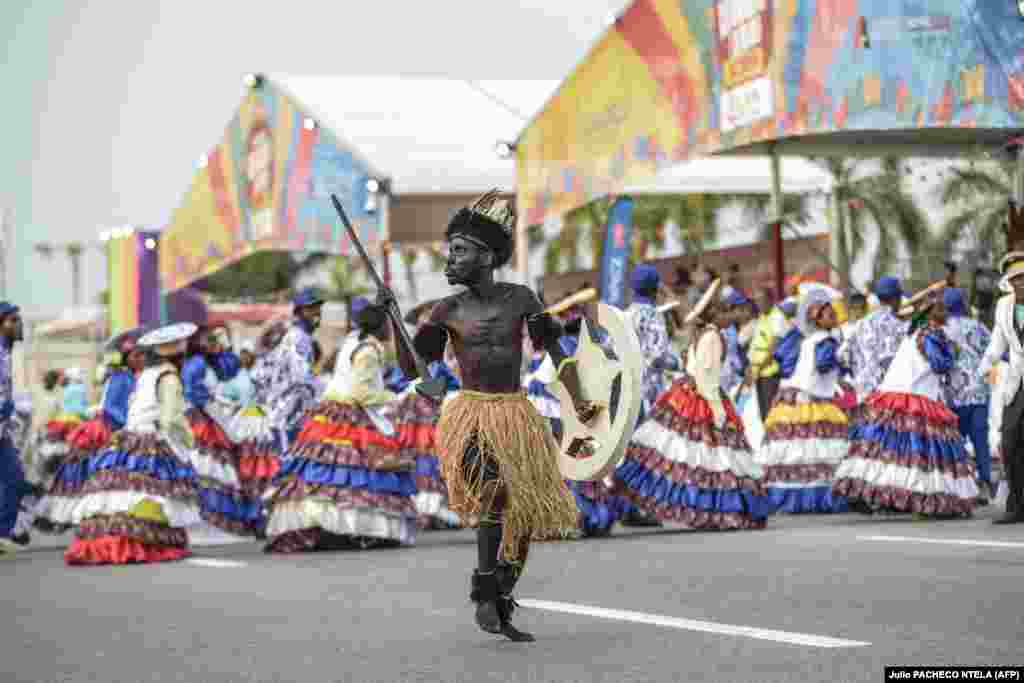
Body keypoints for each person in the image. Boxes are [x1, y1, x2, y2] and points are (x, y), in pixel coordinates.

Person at [396, 190, 595, 642]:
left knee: (523, 513)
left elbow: (557, 352)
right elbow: (412, 368)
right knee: (492, 493)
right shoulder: (445, 311)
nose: (449, 260)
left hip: (516, 415)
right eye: (450, 251)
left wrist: (581, 404)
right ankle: (485, 591)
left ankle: (502, 596)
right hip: (469, 414)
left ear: (486, 256)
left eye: (459, 251)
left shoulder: (521, 299)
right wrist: (395, 320)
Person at [613, 279, 771, 529]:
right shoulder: (712, 336)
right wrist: (719, 411)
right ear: (719, 314)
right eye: (730, 311)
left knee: (693, 456)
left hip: (683, 392)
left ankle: (703, 508)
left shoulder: (704, 333)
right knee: (710, 458)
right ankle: (712, 510)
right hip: (702, 395)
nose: (735, 316)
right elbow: (706, 378)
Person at [264, 297, 416, 553]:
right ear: (380, 326)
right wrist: (399, 397)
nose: (390, 329)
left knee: (328, 471)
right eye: (388, 324)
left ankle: (330, 527)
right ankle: (349, 528)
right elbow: (362, 394)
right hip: (350, 412)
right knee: (353, 474)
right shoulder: (368, 350)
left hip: (329, 410)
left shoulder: (352, 340)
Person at [62, 323, 202, 565]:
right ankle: (142, 542)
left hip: (127, 439)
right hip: (152, 439)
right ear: (178, 355)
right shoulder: (169, 376)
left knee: (121, 494)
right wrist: (188, 440)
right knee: (151, 493)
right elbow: (171, 418)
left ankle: (110, 541)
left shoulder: (145, 375)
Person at [833, 283, 978, 517]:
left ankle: (876, 494)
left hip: (891, 391)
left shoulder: (911, 331)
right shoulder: (929, 334)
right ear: (929, 313)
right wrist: (954, 353)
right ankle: (923, 498)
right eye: (940, 308)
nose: (945, 312)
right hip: (913, 396)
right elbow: (940, 365)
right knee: (918, 452)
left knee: (887, 450)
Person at [39, 329, 147, 532]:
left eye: (142, 354)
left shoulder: (129, 376)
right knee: (92, 475)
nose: (141, 358)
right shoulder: (121, 377)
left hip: (115, 427)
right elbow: (112, 409)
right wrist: (129, 425)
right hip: (108, 430)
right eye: (136, 355)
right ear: (126, 358)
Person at [758, 286, 850, 513]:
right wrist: (842, 357)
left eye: (834, 314)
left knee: (798, 452)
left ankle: (790, 499)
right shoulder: (826, 341)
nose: (835, 318)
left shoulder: (808, 339)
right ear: (818, 320)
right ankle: (814, 499)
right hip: (810, 400)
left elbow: (785, 362)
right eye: (830, 315)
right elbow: (823, 364)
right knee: (812, 450)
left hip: (794, 397)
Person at [391, 298, 463, 530]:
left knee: (431, 463)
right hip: (422, 420)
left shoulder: (439, 363)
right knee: (426, 463)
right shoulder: (428, 363)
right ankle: (429, 508)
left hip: (435, 419)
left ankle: (434, 509)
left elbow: (445, 386)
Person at [182, 326, 259, 541]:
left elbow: (231, 368)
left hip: (213, 415)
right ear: (197, 343)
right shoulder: (195, 364)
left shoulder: (208, 362)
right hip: (202, 419)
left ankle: (216, 526)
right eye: (209, 340)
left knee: (219, 468)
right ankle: (204, 526)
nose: (213, 342)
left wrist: (224, 348)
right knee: (207, 467)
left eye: (214, 339)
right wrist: (220, 414)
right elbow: (197, 394)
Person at [979, 250, 1024, 524]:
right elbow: (998, 343)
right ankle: (1017, 506)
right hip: (1017, 384)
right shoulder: (1004, 306)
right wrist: (985, 366)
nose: (1020, 283)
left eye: (1023, 278)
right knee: (1009, 442)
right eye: (1015, 279)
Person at [250, 289, 324, 451]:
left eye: (318, 307)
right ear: (299, 311)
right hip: (287, 413)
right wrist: (325, 392)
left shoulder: (297, 335)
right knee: (286, 463)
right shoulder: (299, 338)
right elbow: (301, 376)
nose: (317, 312)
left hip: (286, 412)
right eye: (310, 308)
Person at [942, 288, 994, 504]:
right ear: (963, 305)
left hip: (953, 395)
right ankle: (985, 483)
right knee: (981, 440)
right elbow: (991, 352)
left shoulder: (942, 330)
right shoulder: (978, 327)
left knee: (956, 441)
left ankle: (962, 486)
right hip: (979, 394)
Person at [844, 276, 909, 423]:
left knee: (868, 441)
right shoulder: (900, 326)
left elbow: (845, 356)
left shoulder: (860, 324)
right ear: (896, 298)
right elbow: (892, 361)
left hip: (863, 393)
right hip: (890, 395)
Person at [0, 302, 36, 553]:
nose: (18, 325)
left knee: (15, 479)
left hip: (2, 431)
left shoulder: (6, 352)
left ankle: (2, 533)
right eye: (13, 320)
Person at [627, 264, 680, 421]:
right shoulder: (653, 316)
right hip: (648, 394)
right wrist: (677, 363)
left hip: (626, 392)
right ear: (655, 290)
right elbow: (658, 355)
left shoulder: (624, 314)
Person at [747, 290, 790, 420]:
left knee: (771, 412)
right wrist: (751, 367)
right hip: (760, 372)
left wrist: (758, 369)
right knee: (763, 413)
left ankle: (772, 439)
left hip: (771, 372)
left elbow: (774, 348)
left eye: (761, 300)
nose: (758, 304)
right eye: (757, 301)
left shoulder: (777, 317)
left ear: (771, 300)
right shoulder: (762, 317)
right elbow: (756, 345)